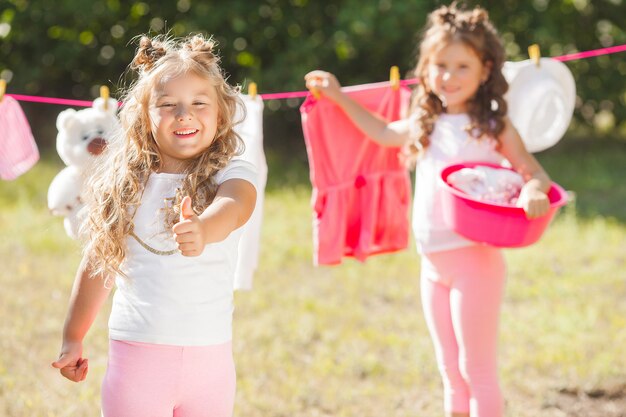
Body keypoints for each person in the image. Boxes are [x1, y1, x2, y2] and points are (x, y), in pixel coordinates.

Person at [304, 4, 551, 417]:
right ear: (426, 67)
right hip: (432, 264)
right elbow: (383, 133)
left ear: (485, 69)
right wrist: (338, 95)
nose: (447, 77)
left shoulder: (492, 128)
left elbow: (536, 173)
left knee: (477, 369)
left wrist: (532, 192)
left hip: (476, 264)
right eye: (439, 65)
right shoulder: (426, 120)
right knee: (449, 369)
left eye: (460, 67)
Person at [51, 34, 257, 417]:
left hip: (210, 360)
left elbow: (237, 204)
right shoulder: (126, 183)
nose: (185, 114)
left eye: (199, 103)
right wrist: (72, 337)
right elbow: (99, 264)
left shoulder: (232, 171)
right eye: (168, 105)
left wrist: (205, 229)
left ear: (221, 113)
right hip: (137, 357)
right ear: (144, 115)